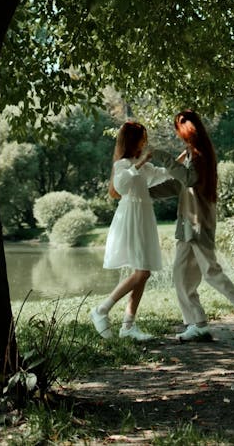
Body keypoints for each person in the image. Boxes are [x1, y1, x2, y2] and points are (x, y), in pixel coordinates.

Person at [151, 109, 234, 345]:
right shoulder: (191, 155)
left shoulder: (200, 155)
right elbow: (179, 186)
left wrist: (163, 157)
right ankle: (198, 324)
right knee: (181, 275)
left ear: (187, 130)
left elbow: (189, 180)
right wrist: (142, 194)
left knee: (211, 274)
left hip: (199, 223)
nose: (178, 135)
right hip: (187, 224)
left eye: (179, 130)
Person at [90, 120, 172, 342]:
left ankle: (128, 326)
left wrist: (185, 157)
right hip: (131, 218)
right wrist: (141, 162)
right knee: (142, 272)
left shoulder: (141, 164)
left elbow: (164, 174)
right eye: (141, 139)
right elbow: (121, 186)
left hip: (144, 217)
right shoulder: (123, 164)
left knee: (143, 273)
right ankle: (101, 309)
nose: (144, 143)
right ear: (132, 141)